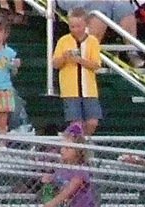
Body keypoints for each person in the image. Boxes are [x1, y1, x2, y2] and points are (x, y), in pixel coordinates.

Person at [52, 8, 102, 137]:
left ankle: (79, 141)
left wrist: (80, 60)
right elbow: (55, 64)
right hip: (70, 90)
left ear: (85, 25)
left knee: (92, 122)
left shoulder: (92, 41)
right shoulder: (63, 41)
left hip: (89, 91)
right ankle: (73, 141)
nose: (75, 29)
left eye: (78, 26)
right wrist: (64, 57)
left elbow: (96, 65)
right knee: (76, 124)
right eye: (72, 26)